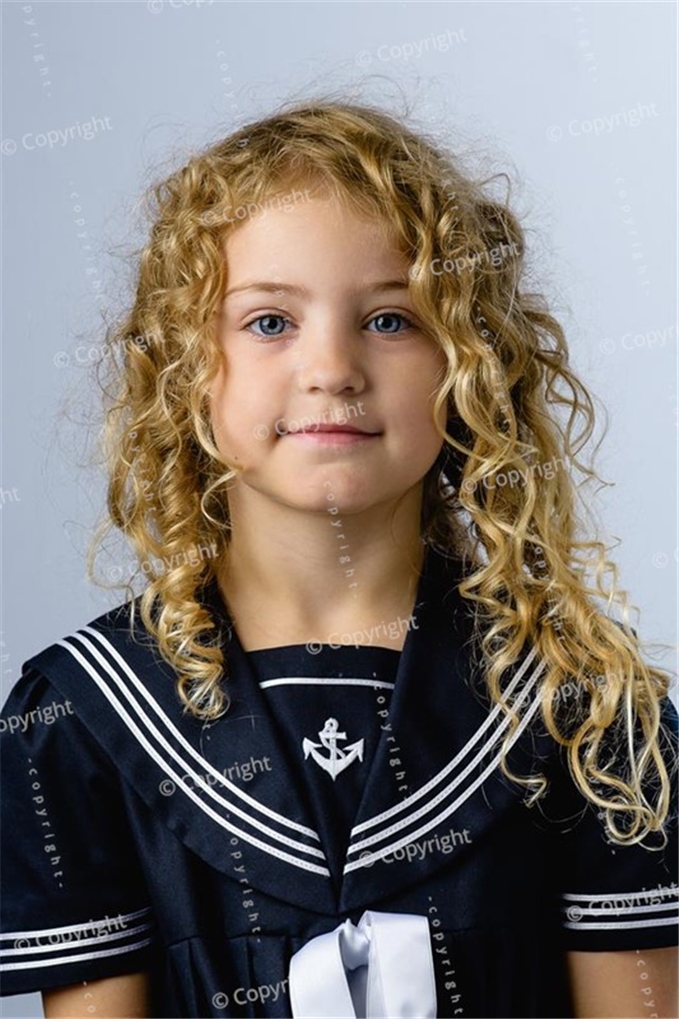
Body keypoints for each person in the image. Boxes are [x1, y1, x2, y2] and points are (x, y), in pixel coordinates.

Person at [1, 100, 677, 1019]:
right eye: (268, 321)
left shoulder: (584, 706)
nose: (332, 368)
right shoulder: (82, 717)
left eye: (390, 319)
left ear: (470, 363)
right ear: (185, 368)